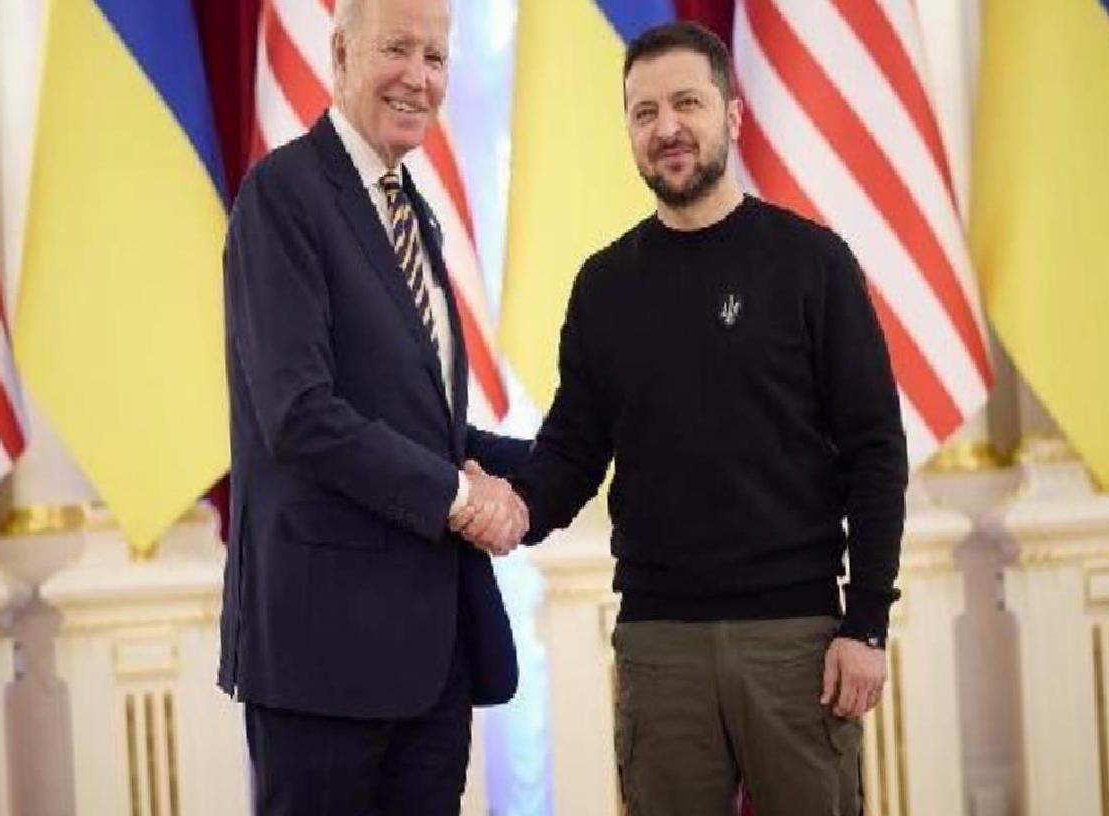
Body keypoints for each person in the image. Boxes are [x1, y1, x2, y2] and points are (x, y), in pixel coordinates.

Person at [511, 21, 908, 816]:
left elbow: (875, 451)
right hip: (659, 649)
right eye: (645, 112)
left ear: (731, 114)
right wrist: (495, 500)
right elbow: (570, 456)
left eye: (687, 103)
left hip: (798, 642)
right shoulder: (603, 287)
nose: (667, 128)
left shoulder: (813, 263)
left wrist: (865, 624)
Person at [216, 0, 528, 812]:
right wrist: (462, 499)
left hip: (430, 659)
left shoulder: (413, 212)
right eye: (398, 48)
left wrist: (566, 456)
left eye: (436, 57)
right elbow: (301, 413)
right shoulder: (281, 196)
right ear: (341, 53)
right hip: (323, 659)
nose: (418, 77)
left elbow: (425, 429)